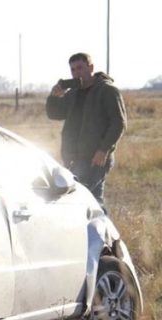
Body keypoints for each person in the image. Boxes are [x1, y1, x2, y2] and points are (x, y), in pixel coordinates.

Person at [46, 52, 126, 209]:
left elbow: (118, 123)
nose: (77, 72)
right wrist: (54, 97)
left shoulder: (107, 90)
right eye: (73, 69)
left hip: (95, 157)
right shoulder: (73, 93)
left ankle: (101, 232)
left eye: (80, 68)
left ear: (91, 67)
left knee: (81, 200)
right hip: (74, 157)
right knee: (93, 201)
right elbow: (55, 114)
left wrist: (104, 150)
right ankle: (103, 232)